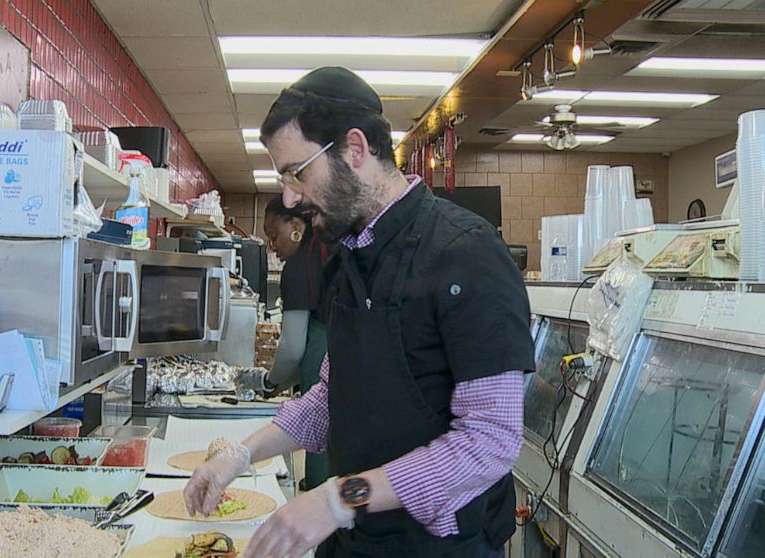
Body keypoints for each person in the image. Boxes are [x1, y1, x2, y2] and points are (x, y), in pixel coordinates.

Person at [184, 66, 535, 558]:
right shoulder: (348, 254)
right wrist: (242, 454)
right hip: (356, 541)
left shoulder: (467, 255)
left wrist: (339, 498)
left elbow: (489, 442)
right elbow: (332, 396)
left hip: (438, 547)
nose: (289, 197)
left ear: (354, 148)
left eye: (297, 173)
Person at [237, 195, 331, 489]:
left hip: (326, 372)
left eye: (274, 235)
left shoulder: (298, 265)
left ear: (295, 226)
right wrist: (279, 380)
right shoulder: (325, 252)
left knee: (323, 472)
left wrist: (269, 381)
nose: (272, 246)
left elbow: (293, 347)